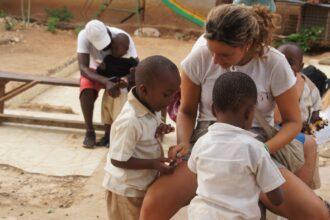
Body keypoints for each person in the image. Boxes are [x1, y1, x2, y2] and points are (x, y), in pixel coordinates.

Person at [140, 5, 329, 220]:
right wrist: (184, 143)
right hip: (207, 139)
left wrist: (261, 152)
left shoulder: (274, 63)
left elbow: (293, 122)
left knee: (318, 214)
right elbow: (186, 110)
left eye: (224, 54)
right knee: (152, 207)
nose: (215, 60)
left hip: (256, 141)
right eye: (211, 51)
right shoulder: (200, 58)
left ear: (247, 45)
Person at [188, 72, 284, 219]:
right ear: (249, 113)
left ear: (213, 109)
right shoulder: (255, 149)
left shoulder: (202, 142)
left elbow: (195, 173)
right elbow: (277, 199)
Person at [102, 55, 181, 220]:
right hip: (125, 191)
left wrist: (159, 128)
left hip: (139, 185)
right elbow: (117, 159)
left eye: (175, 94)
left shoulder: (151, 104)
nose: (171, 101)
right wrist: (153, 163)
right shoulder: (130, 121)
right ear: (144, 90)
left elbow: (145, 130)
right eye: (167, 95)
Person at [77, 19, 138, 148]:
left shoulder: (122, 37)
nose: (105, 48)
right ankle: (90, 132)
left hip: (120, 77)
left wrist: (125, 80)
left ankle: (123, 133)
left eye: (107, 44)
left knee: (118, 106)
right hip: (99, 73)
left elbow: (136, 67)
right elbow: (83, 68)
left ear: (108, 31)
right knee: (86, 85)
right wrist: (106, 81)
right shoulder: (83, 36)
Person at [275, 43, 321, 188]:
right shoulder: (271, 81)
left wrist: (309, 131)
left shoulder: (310, 88)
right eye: (281, 60)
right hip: (276, 129)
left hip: (298, 131)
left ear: (300, 67)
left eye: (290, 62)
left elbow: (316, 116)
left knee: (310, 145)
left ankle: (304, 191)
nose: (285, 65)